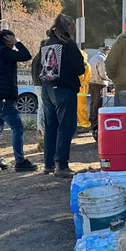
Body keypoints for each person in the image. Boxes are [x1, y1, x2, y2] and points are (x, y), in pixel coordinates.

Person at [0, 29, 37, 173]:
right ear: (6, 39)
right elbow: (26, 55)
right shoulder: (3, 52)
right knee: (17, 128)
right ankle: (20, 161)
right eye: (11, 39)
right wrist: (17, 43)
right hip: (3, 97)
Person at [38, 14, 86, 178]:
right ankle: (62, 165)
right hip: (64, 89)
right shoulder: (68, 44)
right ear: (69, 28)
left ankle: (48, 164)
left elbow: (39, 64)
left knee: (51, 127)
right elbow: (80, 68)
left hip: (47, 88)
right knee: (66, 127)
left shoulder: (45, 43)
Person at [31, 40, 47, 151]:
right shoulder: (42, 58)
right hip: (42, 85)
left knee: (41, 108)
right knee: (43, 108)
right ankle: (42, 130)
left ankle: (41, 130)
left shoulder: (36, 57)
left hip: (37, 85)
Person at [88, 45, 110, 122]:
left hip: (91, 81)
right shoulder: (102, 59)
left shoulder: (95, 57)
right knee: (97, 102)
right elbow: (102, 73)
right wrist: (109, 79)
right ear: (107, 52)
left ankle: (91, 118)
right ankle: (96, 121)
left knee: (93, 101)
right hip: (98, 82)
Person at [77, 49, 92, 129]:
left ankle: (85, 125)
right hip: (79, 89)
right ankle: (80, 124)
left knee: (81, 108)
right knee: (78, 109)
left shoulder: (85, 65)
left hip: (81, 89)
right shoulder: (84, 64)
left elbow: (84, 78)